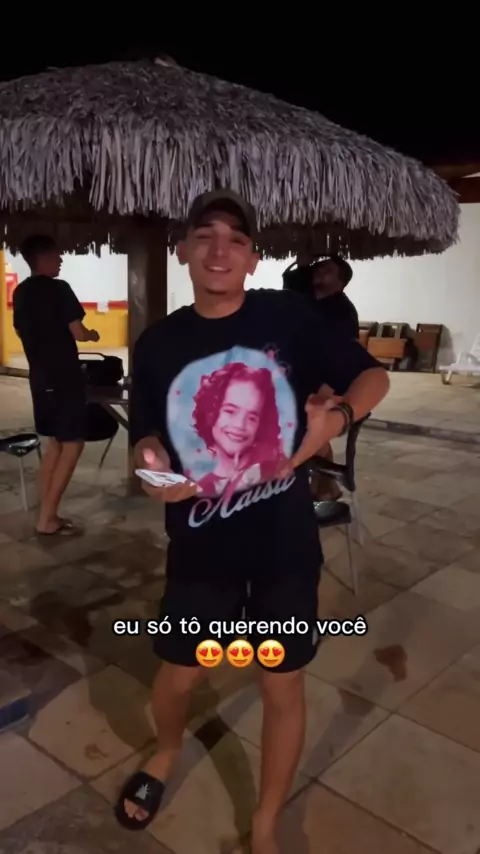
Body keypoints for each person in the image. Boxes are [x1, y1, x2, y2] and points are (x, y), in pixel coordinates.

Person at [117, 189, 389, 853]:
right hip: (200, 547)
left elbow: (371, 378)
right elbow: (145, 436)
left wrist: (335, 418)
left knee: (281, 683)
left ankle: (266, 821)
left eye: (235, 239)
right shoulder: (158, 343)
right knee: (179, 673)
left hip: (282, 547)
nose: (220, 250)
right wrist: (154, 469)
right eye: (205, 236)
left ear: (253, 257)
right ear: (183, 250)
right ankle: (166, 750)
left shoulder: (287, 317)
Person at [13, 235, 99, 536]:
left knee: (55, 443)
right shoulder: (59, 289)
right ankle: (47, 518)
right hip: (64, 378)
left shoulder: (21, 292)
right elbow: (78, 332)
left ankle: (46, 512)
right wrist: (92, 335)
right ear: (43, 257)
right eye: (57, 255)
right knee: (73, 443)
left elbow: (22, 330)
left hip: (39, 378)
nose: (61, 259)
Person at [283, 253, 360, 502]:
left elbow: (343, 358)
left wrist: (326, 391)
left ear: (340, 282)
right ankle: (325, 487)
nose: (318, 271)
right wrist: (301, 264)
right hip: (304, 381)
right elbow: (290, 290)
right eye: (318, 267)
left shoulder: (341, 312)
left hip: (327, 387)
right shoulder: (311, 303)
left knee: (302, 429)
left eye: (327, 270)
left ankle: (318, 486)